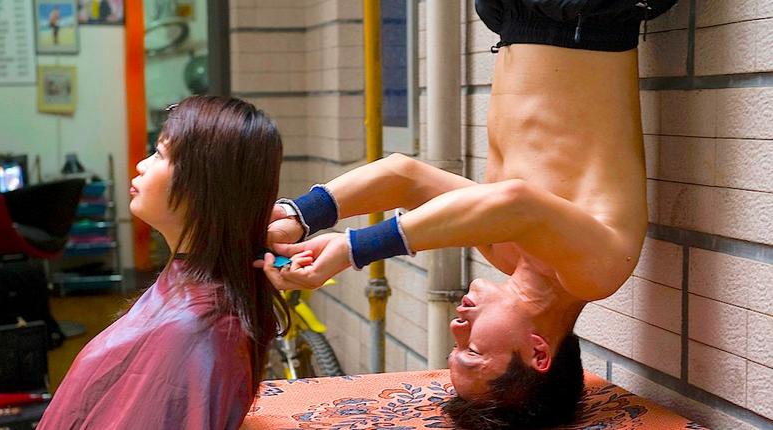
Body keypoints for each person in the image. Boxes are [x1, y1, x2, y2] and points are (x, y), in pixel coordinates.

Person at [258, 1, 677, 428]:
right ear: (538, 353)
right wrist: (355, 249)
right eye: (472, 351)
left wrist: (298, 215)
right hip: (584, 14)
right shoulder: (595, 274)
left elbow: (406, 177)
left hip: (517, 18)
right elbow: (516, 203)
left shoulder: (506, 251)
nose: (457, 328)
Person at [38, 96, 288, 429]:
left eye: (159, 154)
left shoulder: (195, 330)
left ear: (202, 185)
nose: (142, 165)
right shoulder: (196, 294)